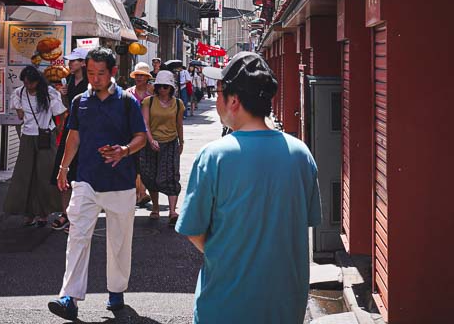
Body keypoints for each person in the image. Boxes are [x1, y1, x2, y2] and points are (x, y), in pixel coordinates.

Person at [176, 52, 321, 324]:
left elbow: (194, 230)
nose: (216, 99)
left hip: (224, 304)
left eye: (219, 91)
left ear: (234, 101)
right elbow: (305, 222)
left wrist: (230, 253)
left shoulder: (214, 156)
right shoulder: (301, 154)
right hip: (286, 305)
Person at [49, 48, 148, 319]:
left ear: (113, 72)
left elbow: (141, 136)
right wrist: (64, 168)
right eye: (90, 72)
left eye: (100, 73)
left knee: (119, 241)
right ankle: (69, 296)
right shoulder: (80, 100)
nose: (95, 78)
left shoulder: (127, 102)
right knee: (77, 236)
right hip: (86, 180)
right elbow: (74, 136)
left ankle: (116, 292)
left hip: (121, 182)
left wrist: (125, 150)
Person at [3, 66, 66, 226]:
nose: (28, 86)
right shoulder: (19, 92)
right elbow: (19, 114)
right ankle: (29, 212)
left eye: (31, 83)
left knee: (44, 174)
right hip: (28, 137)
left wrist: (55, 131)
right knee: (25, 175)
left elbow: (61, 114)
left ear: (38, 81)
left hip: (45, 136)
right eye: (25, 82)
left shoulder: (50, 93)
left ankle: (44, 212)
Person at [51, 47, 90, 232]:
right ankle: (65, 214)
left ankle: (77, 215)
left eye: (74, 61)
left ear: (83, 63)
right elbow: (68, 110)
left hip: (86, 133)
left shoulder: (91, 83)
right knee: (63, 172)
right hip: (70, 130)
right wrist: (63, 95)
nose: (70, 63)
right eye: (70, 61)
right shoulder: (69, 81)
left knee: (80, 175)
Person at [140, 70, 184, 223]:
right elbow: (144, 123)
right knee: (150, 175)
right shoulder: (148, 102)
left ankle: (172, 212)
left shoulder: (178, 104)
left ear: (171, 87)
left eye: (166, 86)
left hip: (171, 142)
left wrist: (182, 142)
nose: (163, 89)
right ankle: (156, 208)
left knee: (171, 176)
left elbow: (179, 124)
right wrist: (151, 140)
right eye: (160, 86)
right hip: (151, 143)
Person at [129, 62, 155, 208]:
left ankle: (142, 192)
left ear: (147, 78)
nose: (139, 77)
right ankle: (139, 192)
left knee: (145, 164)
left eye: (142, 75)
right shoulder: (128, 93)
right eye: (137, 75)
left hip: (148, 132)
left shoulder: (152, 94)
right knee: (134, 163)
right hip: (132, 133)